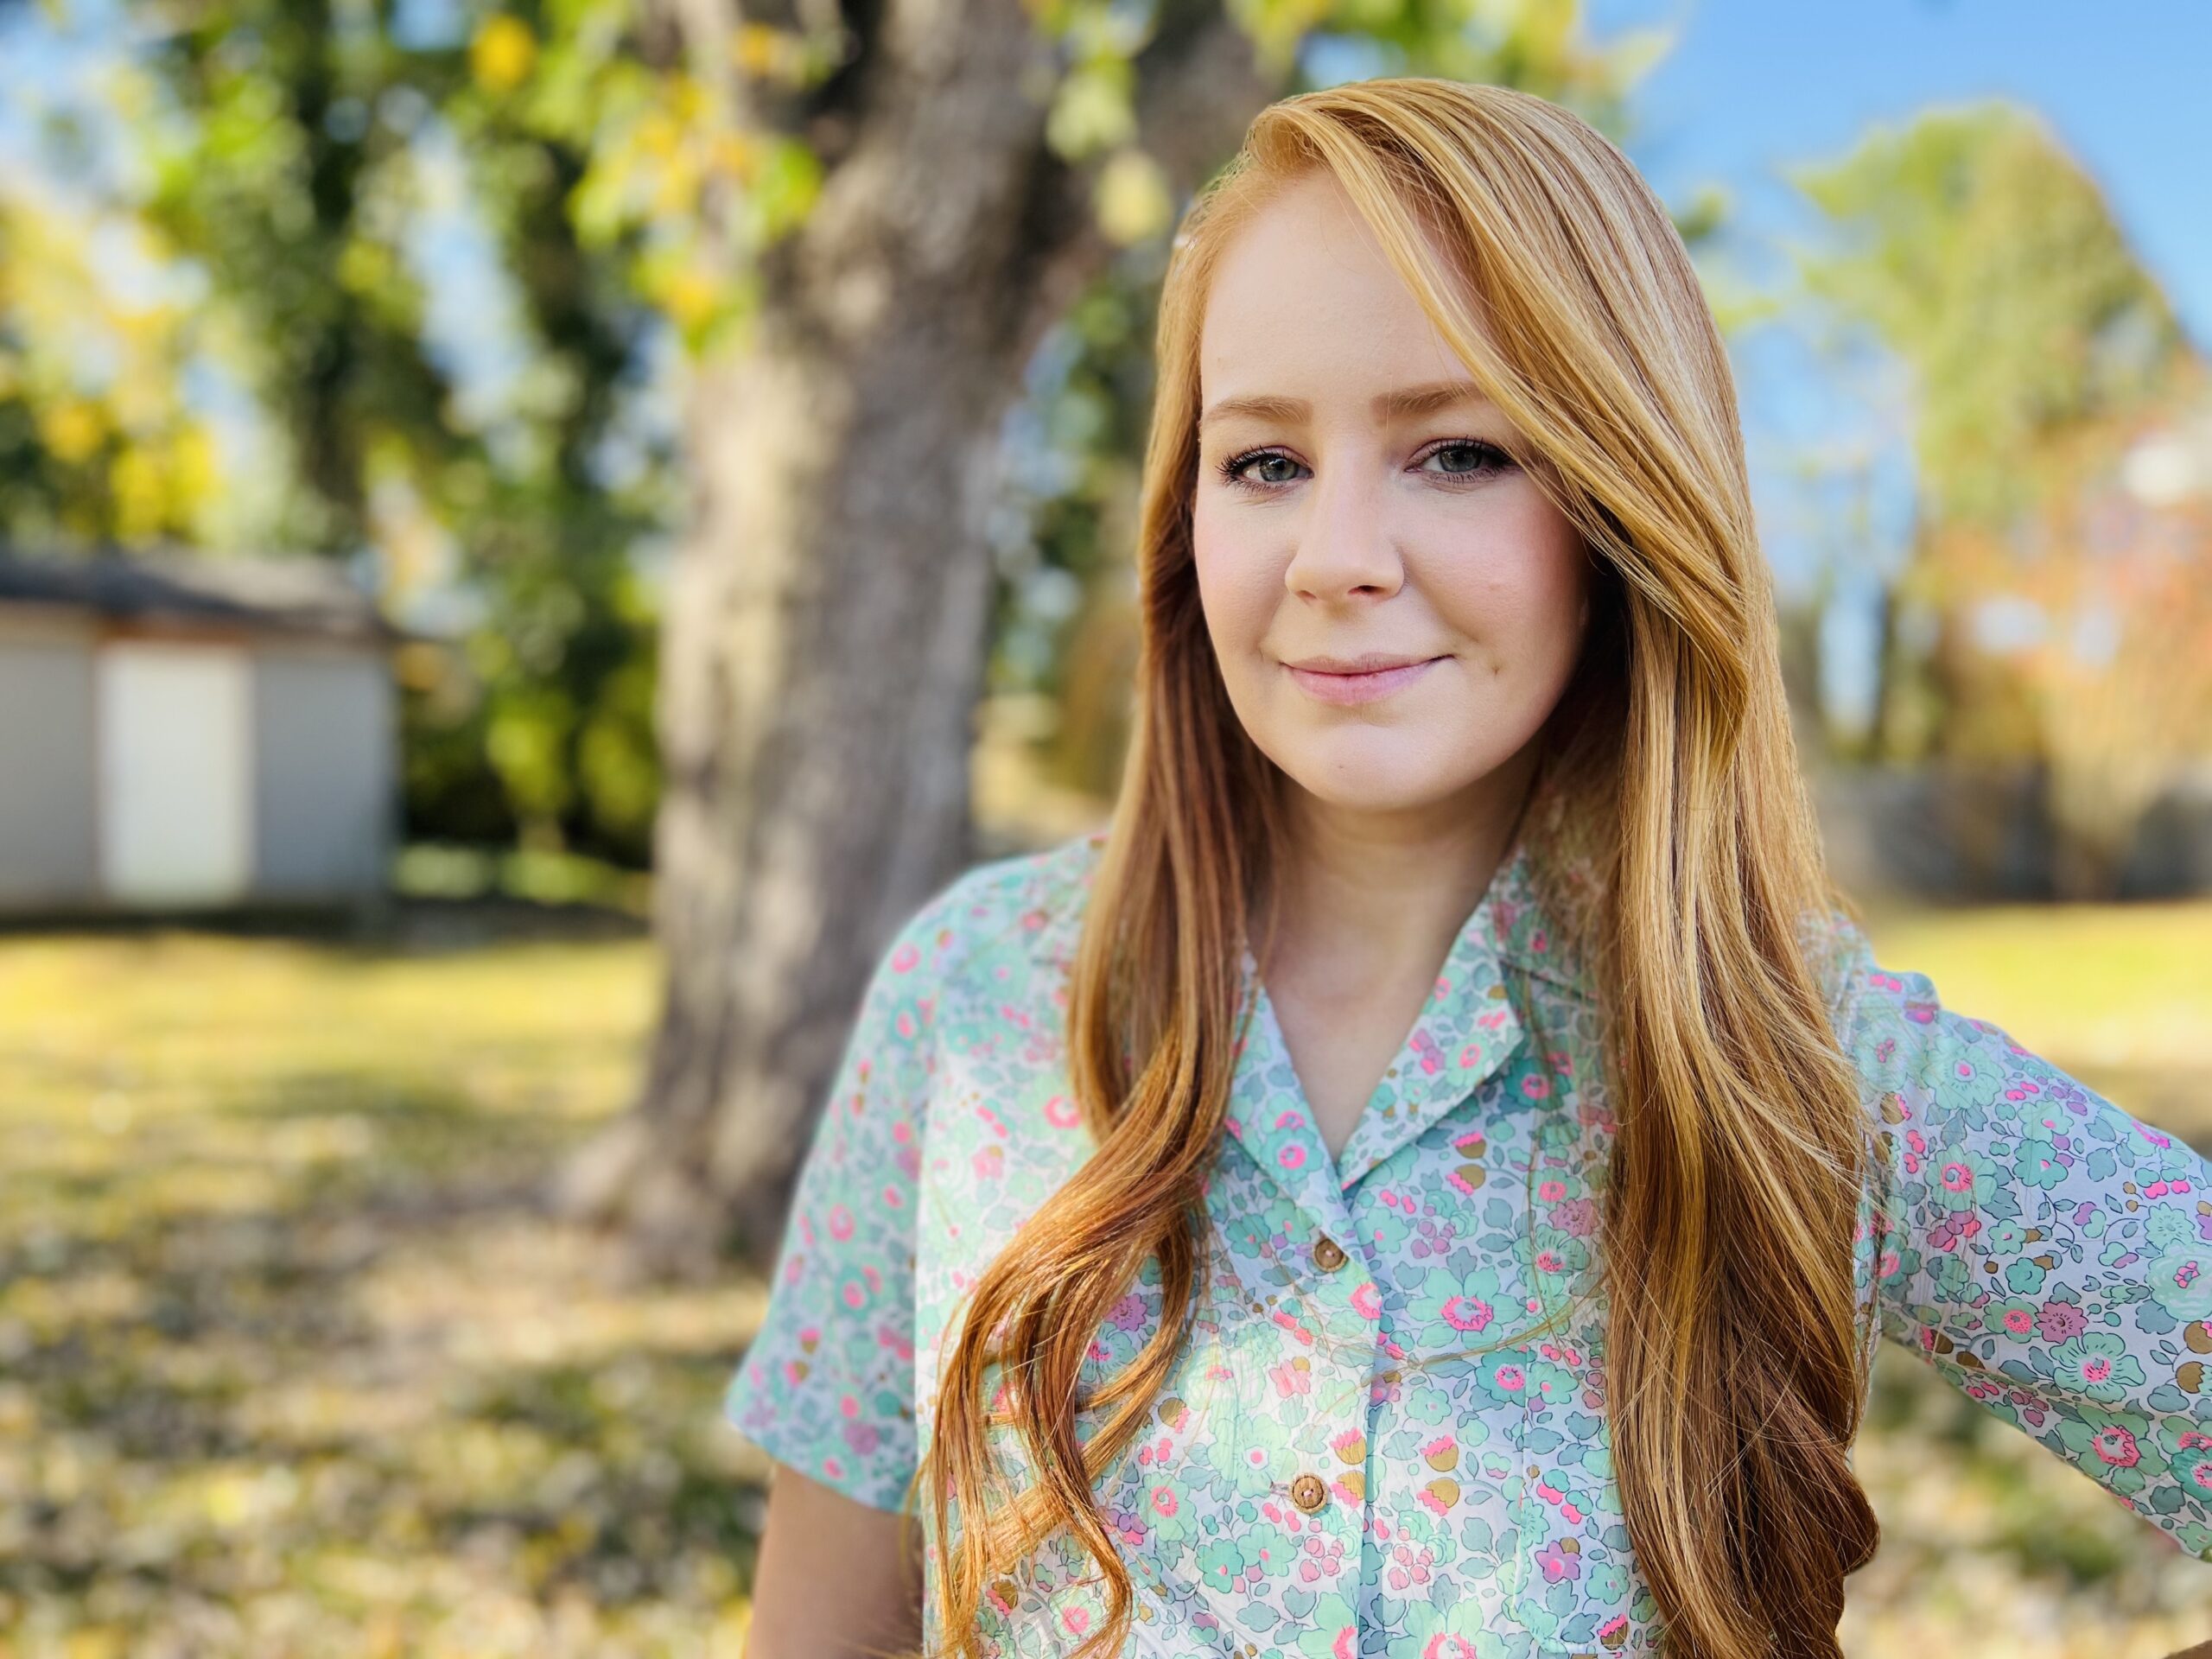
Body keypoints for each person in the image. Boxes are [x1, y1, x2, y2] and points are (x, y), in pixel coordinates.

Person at [726, 78, 2212, 1659]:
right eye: (1265, 463)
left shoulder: (1809, 1065)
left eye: (1457, 452)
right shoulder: (974, 996)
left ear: (1623, 506)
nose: (1337, 555)